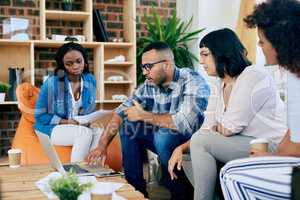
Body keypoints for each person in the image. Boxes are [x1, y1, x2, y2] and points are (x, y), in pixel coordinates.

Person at [168, 28, 287, 200]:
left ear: (221, 51)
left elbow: (229, 129)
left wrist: (216, 129)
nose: (201, 61)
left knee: (200, 141)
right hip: (242, 144)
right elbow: (208, 128)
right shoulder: (219, 82)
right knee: (188, 154)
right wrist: (180, 148)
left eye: (205, 54)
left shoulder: (253, 75)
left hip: (272, 147)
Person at [86, 42, 210, 199]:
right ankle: (136, 192)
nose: (144, 72)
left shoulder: (192, 80)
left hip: (191, 141)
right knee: (130, 125)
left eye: (148, 66)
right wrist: (101, 145)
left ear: (166, 65)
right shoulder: (150, 85)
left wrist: (144, 115)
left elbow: (183, 123)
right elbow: (121, 111)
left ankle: (182, 195)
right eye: (142, 67)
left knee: (163, 135)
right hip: (164, 140)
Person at [220, 0, 300, 199]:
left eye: (262, 41)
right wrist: (271, 158)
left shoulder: (294, 79)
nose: (259, 46)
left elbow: (296, 147)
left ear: (281, 43)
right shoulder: (294, 75)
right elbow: (292, 136)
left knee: (232, 174)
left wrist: (272, 158)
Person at [34, 42, 102, 163]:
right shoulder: (52, 83)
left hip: (77, 125)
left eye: (78, 61)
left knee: (99, 131)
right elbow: (40, 115)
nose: (75, 66)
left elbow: (89, 110)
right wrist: (66, 121)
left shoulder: (90, 80)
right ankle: (76, 173)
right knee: (83, 133)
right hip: (51, 127)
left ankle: (92, 168)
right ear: (62, 66)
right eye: (69, 64)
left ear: (85, 61)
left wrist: (88, 121)